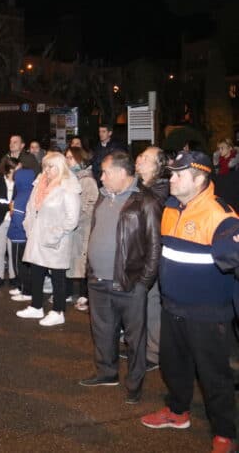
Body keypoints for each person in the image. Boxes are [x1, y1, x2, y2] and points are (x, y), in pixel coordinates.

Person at [140, 151, 239, 453]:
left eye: (178, 174)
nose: (171, 179)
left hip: (207, 314)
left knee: (214, 376)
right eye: (170, 173)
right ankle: (177, 411)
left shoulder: (222, 215)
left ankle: (225, 433)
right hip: (172, 307)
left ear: (199, 178)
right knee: (174, 367)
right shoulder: (171, 206)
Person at [78, 152, 162, 405]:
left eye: (105, 173)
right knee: (102, 331)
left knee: (135, 340)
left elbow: (155, 247)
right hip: (98, 281)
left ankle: (134, 385)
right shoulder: (103, 197)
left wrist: (143, 283)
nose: (101, 178)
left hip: (129, 283)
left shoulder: (146, 201)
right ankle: (107, 373)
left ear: (121, 173)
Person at [16, 151, 81, 326]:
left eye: (51, 166)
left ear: (60, 167)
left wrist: (55, 233)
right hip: (37, 235)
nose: (47, 170)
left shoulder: (68, 186)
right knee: (36, 271)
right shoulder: (40, 183)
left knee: (58, 275)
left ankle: (58, 311)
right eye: (45, 165)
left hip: (56, 239)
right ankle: (36, 306)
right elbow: (30, 208)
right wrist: (28, 226)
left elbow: (72, 218)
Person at [136, 146, 170, 370]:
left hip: (152, 253)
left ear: (158, 166)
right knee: (139, 303)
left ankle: (154, 352)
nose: (139, 160)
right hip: (137, 252)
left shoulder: (160, 189)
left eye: (146, 158)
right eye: (140, 156)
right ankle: (140, 345)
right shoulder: (140, 186)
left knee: (152, 302)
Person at [64, 146, 99, 310]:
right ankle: (69, 292)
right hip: (73, 228)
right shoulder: (70, 179)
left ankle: (85, 295)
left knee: (83, 262)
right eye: (66, 157)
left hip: (83, 228)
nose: (67, 161)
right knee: (72, 261)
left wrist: (74, 217)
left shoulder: (87, 180)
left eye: (71, 157)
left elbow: (90, 205)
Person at [0, 156, 19, 289]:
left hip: (14, 221)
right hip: (0, 220)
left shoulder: (19, 182)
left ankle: (13, 277)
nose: (18, 171)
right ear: (9, 169)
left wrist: (10, 205)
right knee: (0, 250)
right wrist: (9, 206)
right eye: (16, 168)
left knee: (12, 250)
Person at [8, 167, 35, 299]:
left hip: (19, 235)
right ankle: (22, 287)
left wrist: (12, 211)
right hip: (28, 236)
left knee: (19, 265)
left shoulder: (21, 195)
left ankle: (25, 290)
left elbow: (18, 218)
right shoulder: (32, 192)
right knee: (26, 264)